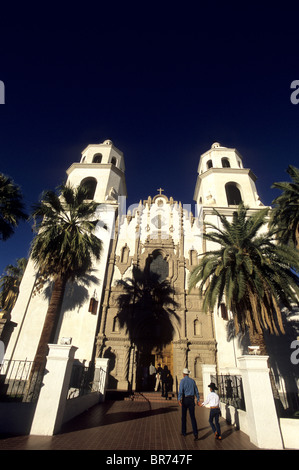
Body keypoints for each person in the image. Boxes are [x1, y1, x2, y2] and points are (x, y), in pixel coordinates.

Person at [178, 368, 200, 440]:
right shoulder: (192, 381)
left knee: (184, 416)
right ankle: (195, 433)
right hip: (191, 399)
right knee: (192, 417)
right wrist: (198, 400)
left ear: (183, 374)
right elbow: (196, 391)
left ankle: (184, 432)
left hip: (185, 399)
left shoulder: (182, 381)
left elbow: (181, 391)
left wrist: (179, 400)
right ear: (188, 374)